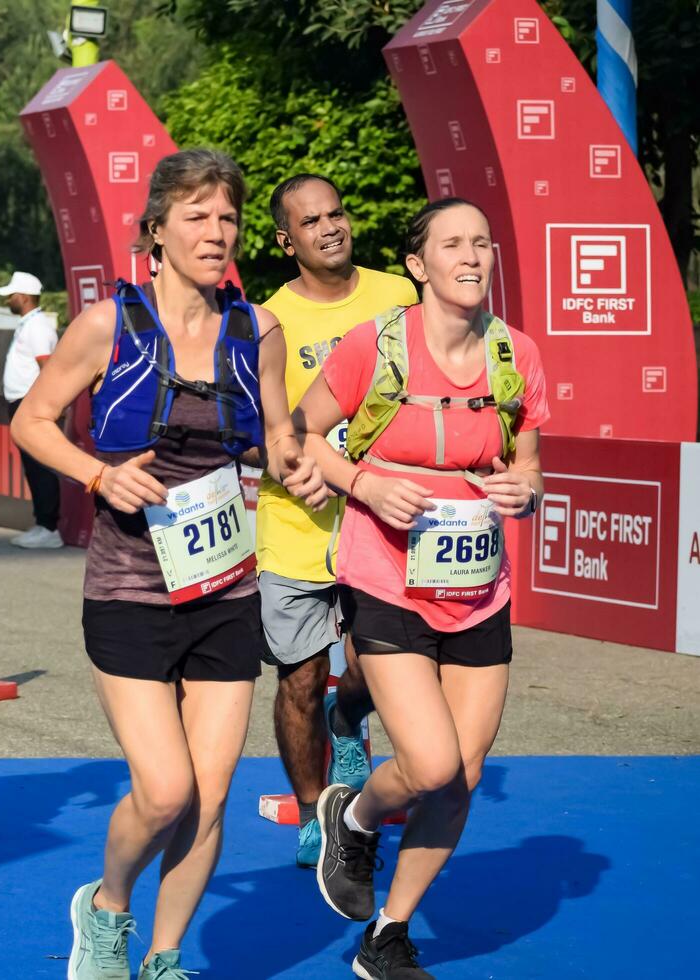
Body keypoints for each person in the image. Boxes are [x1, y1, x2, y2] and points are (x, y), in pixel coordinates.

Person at [11, 149, 326, 980]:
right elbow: (32, 422)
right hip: (127, 588)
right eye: (198, 217)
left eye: (229, 218)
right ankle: (107, 906)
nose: (218, 233)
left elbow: (278, 436)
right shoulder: (107, 324)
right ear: (156, 231)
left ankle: (163, 956)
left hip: (225, 585)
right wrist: (97, 474)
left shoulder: (256, 329)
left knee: (213, 793)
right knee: (163, 789)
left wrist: (306, 463)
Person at [296, 198, 549, 979]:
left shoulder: (517, 354)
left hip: (478, 587)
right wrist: (364, 484)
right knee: (432, 764)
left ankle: (389, 936)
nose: (471, 256)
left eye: (481, 243)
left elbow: (531, 462)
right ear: (418, 264)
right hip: (387, 580)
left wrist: (525, 492)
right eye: (452, 244)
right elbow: (303, 439)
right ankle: (358, 813)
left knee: (463, 775)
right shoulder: (373, 347)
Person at [256, 174, 418, 868]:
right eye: (311, 220)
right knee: (298, 676)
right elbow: (254, 430)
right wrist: (298, 471)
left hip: (382, 524)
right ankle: (316, 812)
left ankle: (347, 717)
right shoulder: (266, 321)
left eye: (337, 213)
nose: (331, 228)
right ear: (285, 240)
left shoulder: (401, 297)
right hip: (296, 525)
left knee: (371, 667)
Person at [0, 270, 63, 549]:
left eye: (12, 295)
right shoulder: (29, 323)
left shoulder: (37, 327)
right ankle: (42, 524)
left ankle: (49, 528)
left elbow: (48, 368)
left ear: (23, 297)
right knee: (33, 467)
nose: (9, 299)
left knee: (41, 466)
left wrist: (45, 407)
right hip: (24, 403)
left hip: (32, 404)